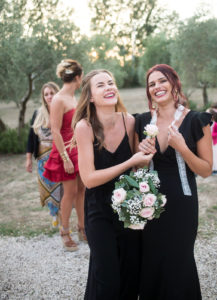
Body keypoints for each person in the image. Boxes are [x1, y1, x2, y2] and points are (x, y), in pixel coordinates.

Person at [72, 69, 153, 300]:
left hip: (129, 210)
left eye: (111, 82)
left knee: (130, 276)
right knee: (106, 278)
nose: (109, 87)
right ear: (90, 97)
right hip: (99, 213)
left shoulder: (130, 122)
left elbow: (138, 168)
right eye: (101, 85)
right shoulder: (84, 127)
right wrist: (131, 161)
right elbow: (88, 179)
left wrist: (145, 155)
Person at [135, 64, 213, 300]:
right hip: (150, 203)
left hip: (182, 204)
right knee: (152, 259)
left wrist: (183, 149)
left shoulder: (197, 120)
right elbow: (137, 167)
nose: (157, 87)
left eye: (162, 81)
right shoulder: (141, 122)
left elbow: (206, 170)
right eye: (152, 84)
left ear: (174, 83)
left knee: (179, 261)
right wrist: (141, 156)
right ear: (148, 92)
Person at [43, 59, 86, 252]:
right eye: (81, 76)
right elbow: (55, 130)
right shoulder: (59, 99)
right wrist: (65, 158)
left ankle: (82, 228)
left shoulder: (74, 97)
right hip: (65, 152)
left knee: (82, 190)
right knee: (70, 192)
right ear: (78, 77)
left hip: (78, 149)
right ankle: (65, 232)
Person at [26, 82, 63, 228]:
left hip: (60, 157)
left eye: (52, 93)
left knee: (62, 189)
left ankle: (63, 219)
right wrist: (28, 159)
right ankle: (54, 214)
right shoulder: (37, 113)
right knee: (47, 188)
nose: (49, 96)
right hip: (43, 160)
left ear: (57, 93)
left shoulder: (63, 111)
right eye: (46, 94)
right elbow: (31, 138)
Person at [208, 103, 217, 174]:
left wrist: (212, 135)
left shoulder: (215, 124)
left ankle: (215, 169)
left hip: (214, 142)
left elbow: (215, 133)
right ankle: (211, 168)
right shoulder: (207, 123)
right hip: (209, 142)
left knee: (214, 155)